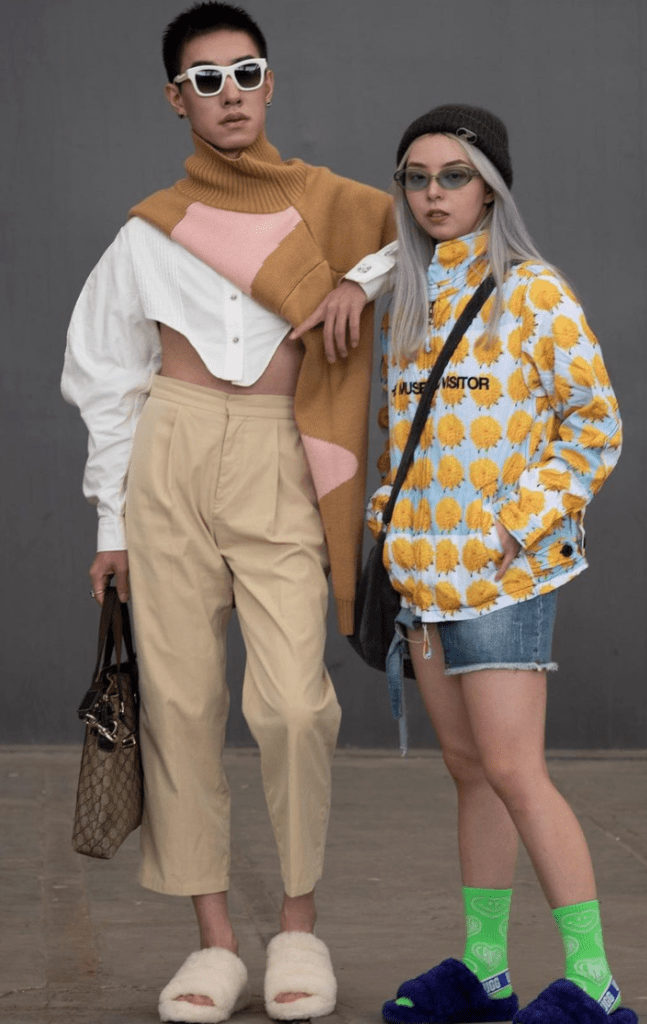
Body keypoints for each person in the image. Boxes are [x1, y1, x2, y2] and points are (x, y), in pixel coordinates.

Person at [61, 4, 393, 1021]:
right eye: (205, 80)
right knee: (181, 703)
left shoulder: (335, 208)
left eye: (245, 72)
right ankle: (213, 942)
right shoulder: (147, 230)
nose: (230, 93)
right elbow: (105, 378)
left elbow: (422, 234)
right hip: (169, 450)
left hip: (274, 453)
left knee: (293, 706)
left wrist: (355, 280)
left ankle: (297, 926)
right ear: (177, 99)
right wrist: (110, 526)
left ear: (269, 82)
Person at [359, 104, 635, 1024]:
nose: (432, 194)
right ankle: (486, 970)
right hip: (423, 581)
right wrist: (391, 525)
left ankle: (594, 982)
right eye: (416, 177)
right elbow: (402, 439)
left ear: (490, 187)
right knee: (469, 772)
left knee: (516, 772)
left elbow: (595, 426)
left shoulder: (533, 291)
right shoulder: (409, 299)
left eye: (454, 176)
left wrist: (516, 526)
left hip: (501, 579)